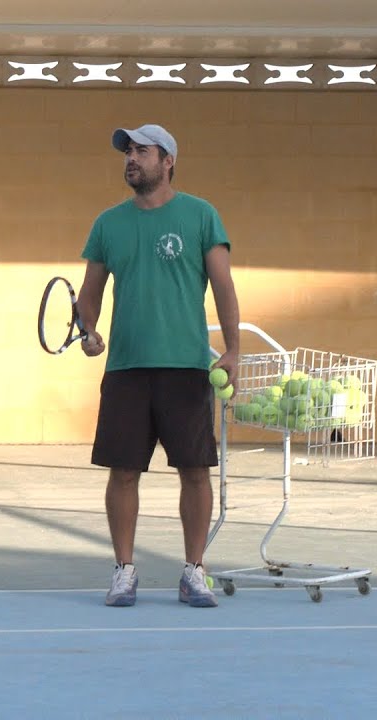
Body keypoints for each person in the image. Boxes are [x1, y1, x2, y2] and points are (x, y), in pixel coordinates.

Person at [75, 123, 241, 608]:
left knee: (194, 470)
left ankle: (194, 572)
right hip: (126, 369)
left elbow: (224, 287)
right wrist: (89, 331)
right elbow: (90, 294)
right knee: (123, 471)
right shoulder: (108, 223)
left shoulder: (201, 216)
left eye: (142, 151)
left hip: (186, 368)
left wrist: (232, 350)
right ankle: (124, 571)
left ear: (167, 161)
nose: (131, 158)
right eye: (128, 151)